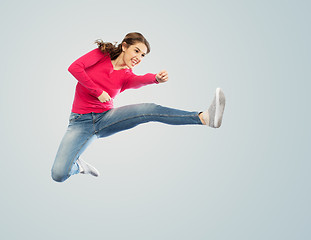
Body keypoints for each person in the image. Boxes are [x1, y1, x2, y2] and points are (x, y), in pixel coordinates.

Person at [51, 32, 226, 183]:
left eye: (143, 55)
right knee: (59, 174)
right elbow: (75, 68)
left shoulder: (126, 76)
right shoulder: (101, 54)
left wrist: (155, 78)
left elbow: (140, 80)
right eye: (137, 51)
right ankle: (79, 166)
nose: (139, 57)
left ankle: (203, 117)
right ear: (124, 46)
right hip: (79, 123)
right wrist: (97, 92)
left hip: (106, 119)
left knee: (148, 109)